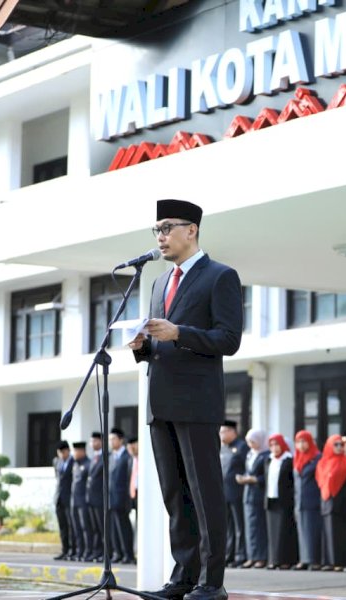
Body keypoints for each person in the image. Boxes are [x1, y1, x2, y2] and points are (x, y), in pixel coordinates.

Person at [129, 199, 243, 600]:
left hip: (197, 403)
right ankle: (183, 578)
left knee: (205, 494)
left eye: (167, 228)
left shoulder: (220, 276)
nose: (160, 237)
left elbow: (229, 339)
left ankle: (212, 582)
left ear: (191, 230)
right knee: (176, 497)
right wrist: (142, 346)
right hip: (160, 403)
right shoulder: (159, 283)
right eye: (156, 230)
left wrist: (179, 333)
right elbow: (159, 347)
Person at [316, 434, 346, 571]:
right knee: (327, 531)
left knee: (341, 532)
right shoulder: (322, 462)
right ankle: (329, 561)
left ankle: (341, 561)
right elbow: (320, 479)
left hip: (341, 500)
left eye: (341, 445)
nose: (339, 447)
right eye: (336, 445)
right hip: (326, 499)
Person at [236, 429, 270, 569]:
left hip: (259, 494)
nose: (251, 444)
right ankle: (251, 556)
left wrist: (255, 479)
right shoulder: (250, 454)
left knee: (259, 527)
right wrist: (244, 477)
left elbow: (266, 476)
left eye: (253, 442)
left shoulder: (266, 455)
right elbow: (248, 470)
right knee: (249, 528)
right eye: (249, 442)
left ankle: (261, 557)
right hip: (248, 494)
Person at [265, 433, 298, 569]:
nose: (274, 448)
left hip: (284, 500)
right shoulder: (269, 460)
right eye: (272, 445)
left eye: (277, 444)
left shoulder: (288, 460)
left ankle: (285, 560)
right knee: (272, 532)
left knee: (284, 531)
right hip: (271, 500)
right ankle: (274, 560)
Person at [293, 430, 323, 571]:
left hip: (313, 499)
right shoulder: (297, 458)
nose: (301, 445)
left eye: (304, 441)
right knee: (302, 530)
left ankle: (314, 559)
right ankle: (304, 559)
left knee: (313, 530)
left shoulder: (317, 457)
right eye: (298, 442)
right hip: (300, 499)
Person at [220, 420, 248, 569]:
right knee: (228, 526)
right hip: (224, 492)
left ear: (233, 432)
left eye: (224, 432)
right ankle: (228, 555)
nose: (221, 435)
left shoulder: (242, 447)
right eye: (220, 432)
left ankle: (240, 555)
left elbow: (247, 467)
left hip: (237, 492)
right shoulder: (222, 448)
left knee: (239, 526)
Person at [109, 427, 135, 564]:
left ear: (121, 440)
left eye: (113, 439)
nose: (111, 442)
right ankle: (118, 553)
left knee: (124, 528)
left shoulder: (127, 456)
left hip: (123, 499)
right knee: (114, 528)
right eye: (110, 439)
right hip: (111, 498)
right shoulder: (111, 457)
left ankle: (128, 554)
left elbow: (128, 478)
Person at [70, 442, 91, 562]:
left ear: (82, 451)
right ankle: (80, 551)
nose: (74, 453)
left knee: (85, 528)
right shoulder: (75, 464)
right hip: (74, 501)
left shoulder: (88, 464)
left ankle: (88, 551)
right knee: (76, 528)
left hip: (83, 501)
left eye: (76, 451)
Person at [53, 440, 74, 561]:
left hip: (69, 498)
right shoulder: (57, 462)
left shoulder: (73, 461)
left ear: (68, 451)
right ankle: (64, 550)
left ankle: (72, 550)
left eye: (63, 452)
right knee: (62, 527)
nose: (61, 454)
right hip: (59, 498)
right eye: (59, 452)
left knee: (71, 526)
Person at [85, 431, 104, 562]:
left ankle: (105, 552)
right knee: (94, 527)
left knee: (102, 527)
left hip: (100, 498)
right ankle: (96, 551)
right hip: (91, 498)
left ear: (101, 441)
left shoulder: (105, 457)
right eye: (91, 441)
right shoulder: (93, 458)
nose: (92, 443)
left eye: (95, 441)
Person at [127, 437, 139, 517]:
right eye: (129, 448)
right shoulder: (130, 460)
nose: (131, 449)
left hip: (141, 492)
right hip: (132, 493)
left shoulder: (144, 459)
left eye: (133, 447)